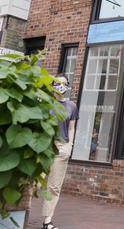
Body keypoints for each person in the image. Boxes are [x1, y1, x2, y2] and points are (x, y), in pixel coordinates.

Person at [42, 74, 79, 229]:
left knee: (54, 186)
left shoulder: (71, 106)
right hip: (43, 145)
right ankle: (21, 212)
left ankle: (47, 221)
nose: (61, 86)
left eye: (64, 83)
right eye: (58, 83)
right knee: (31, 182)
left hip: (61, 146)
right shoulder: (45, 103)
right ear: (53, 85)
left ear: (67, 86)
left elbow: (71, 127)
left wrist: (70, 145)